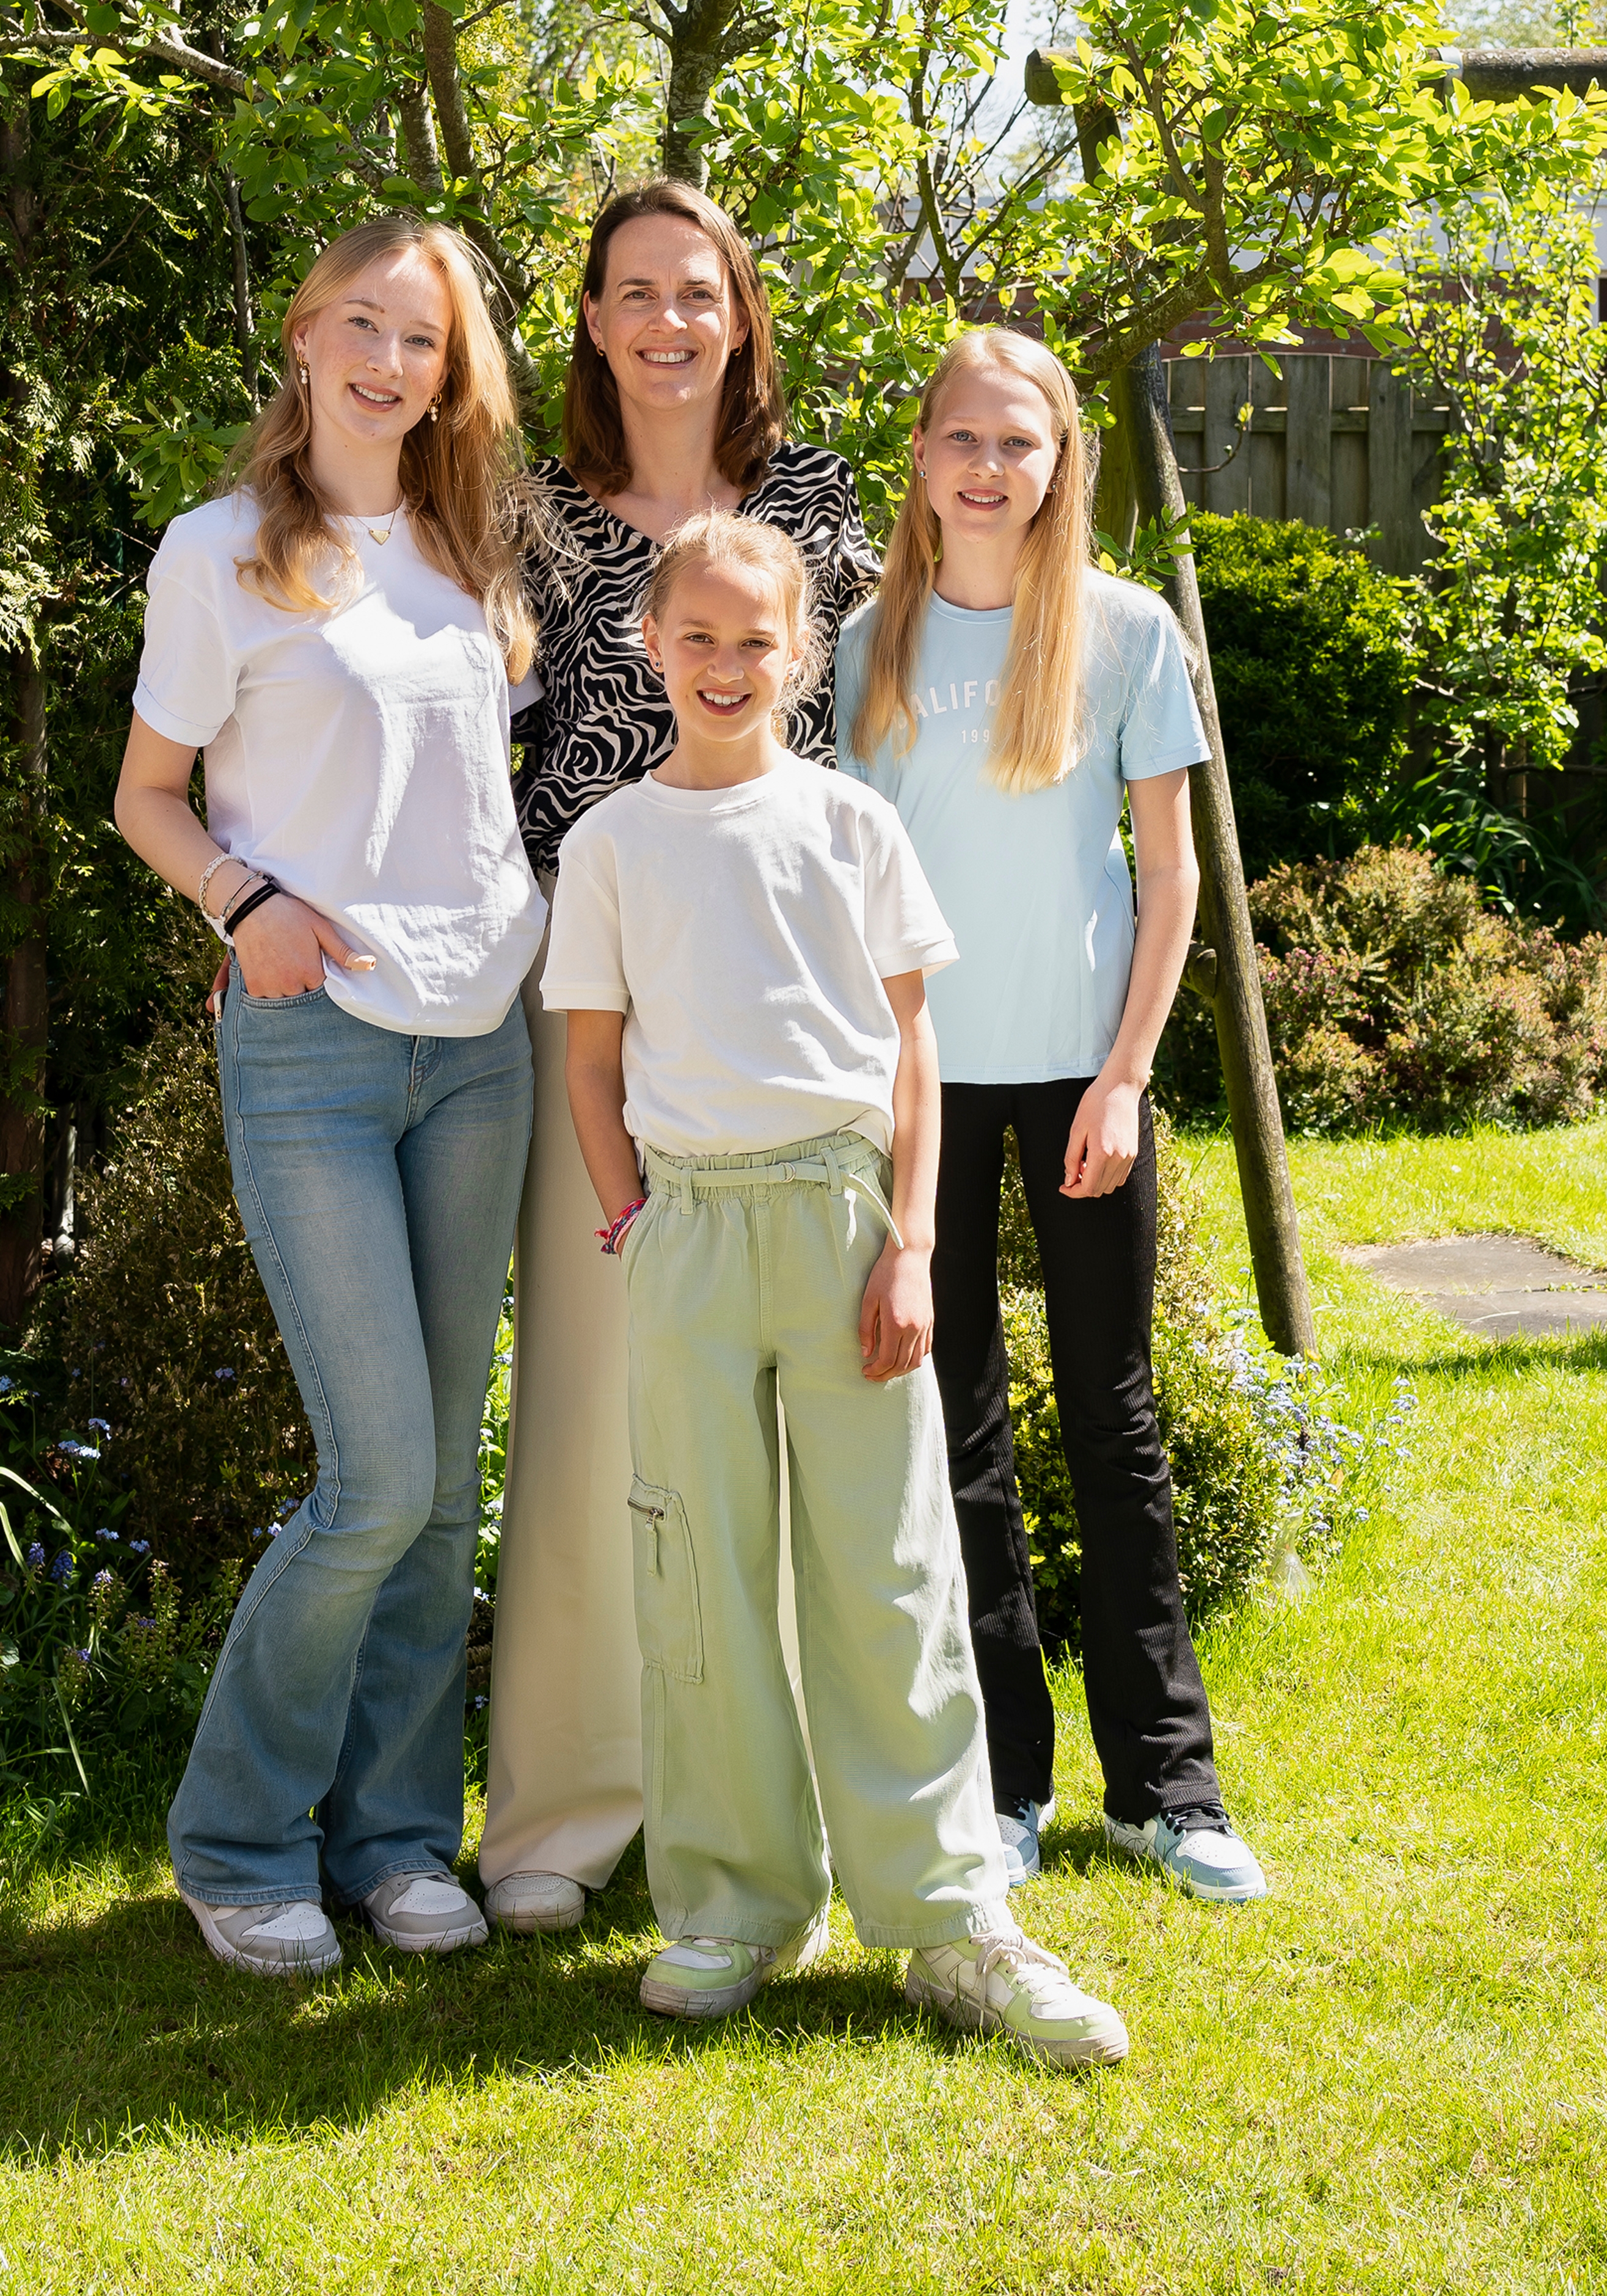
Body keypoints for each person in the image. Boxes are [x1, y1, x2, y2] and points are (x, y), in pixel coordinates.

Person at [539, 508, 1130, 2063]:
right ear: (648, 645)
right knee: (702, 1577)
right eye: (699, 637)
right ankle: (735, 1900)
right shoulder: (609, 846)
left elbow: (915, 1048)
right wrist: (632, 1227)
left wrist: (915, 1241)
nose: (728, 664)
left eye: (759, 640)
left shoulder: (853, 826)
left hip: (843, 1222)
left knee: (888, 1572)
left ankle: (949, 1915)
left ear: (804, 657)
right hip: (689, 1234)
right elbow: (590, 1065)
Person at [112, 211, 545, 1981]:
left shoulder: (468, 546)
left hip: (484, 1044)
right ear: (303, 337)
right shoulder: (219, 555)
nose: (389, 361)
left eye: (424, 340)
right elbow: (147, 794)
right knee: (372, 1477)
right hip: (313, 1049)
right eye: (363, 325)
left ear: (453, 372)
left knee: (444, 1484)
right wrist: (246, 904)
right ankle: (235, 1844)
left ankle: (389, 1840)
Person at [478, 180, 876, 1938]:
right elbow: (456, 744)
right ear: (589, 316)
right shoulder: (528, 514)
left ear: (741, 313)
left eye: (696, 290)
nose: (665, 321)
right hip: (595, 999)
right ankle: (563, 1817)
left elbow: (865, 744)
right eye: (632, 291)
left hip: (776, 1014)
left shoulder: (813, 504)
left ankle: (761, 1802)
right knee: (587, 1402)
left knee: (775, 1421)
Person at [836, 326, 1269, 1906]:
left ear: (1059, 461)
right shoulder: (869, 642)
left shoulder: (1125, 633)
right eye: (965, 438)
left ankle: (1168, 1787)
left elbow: (1171, 879)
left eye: (1021, 444)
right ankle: (1003, 1785)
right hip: (926, 1092)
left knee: (1113, 1423)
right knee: (956, 1438)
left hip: (1087, 1082)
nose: (990, 467)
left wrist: (1131, 1074)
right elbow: (852, 894)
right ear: (924, 456)